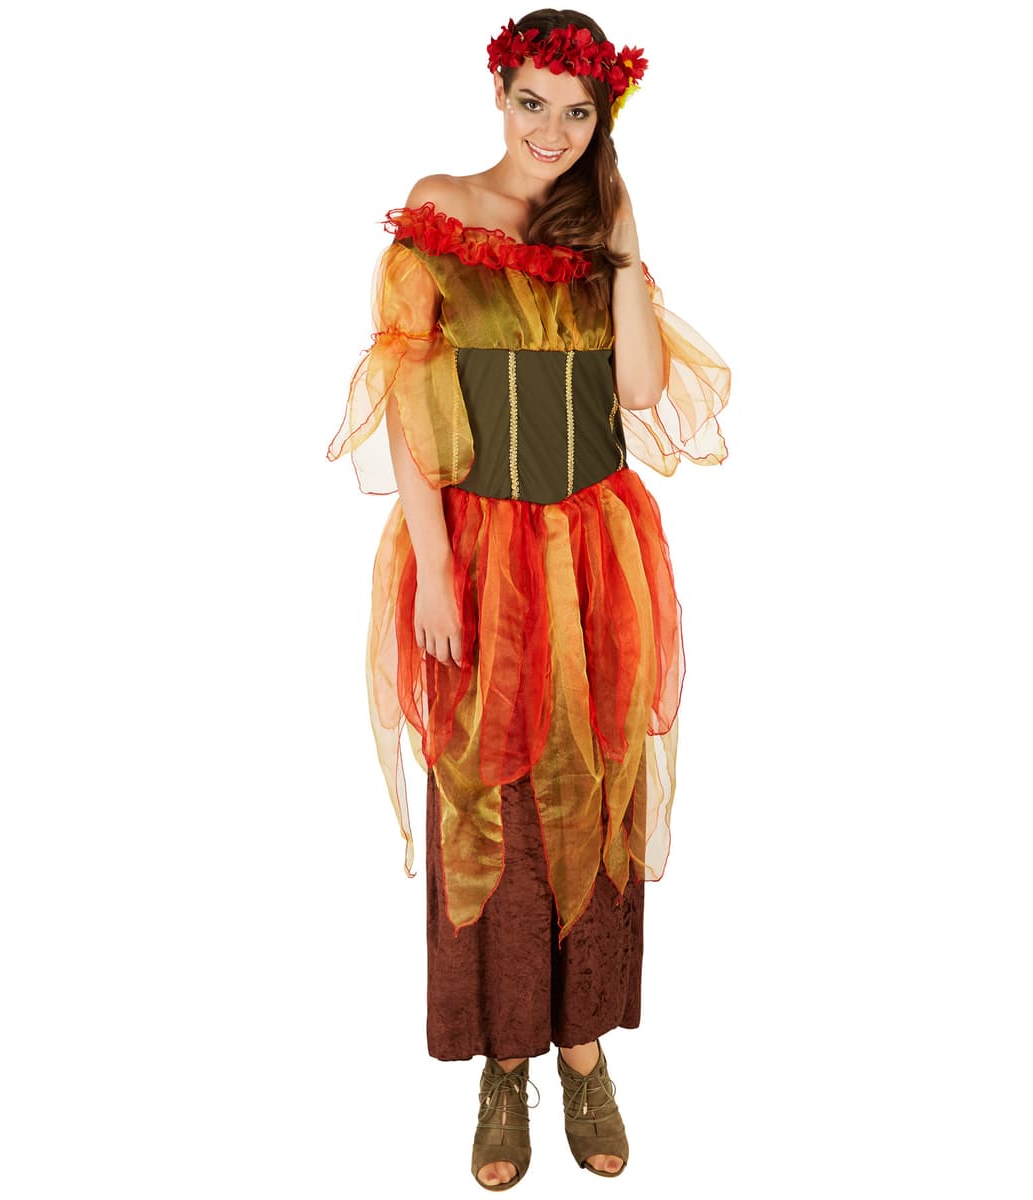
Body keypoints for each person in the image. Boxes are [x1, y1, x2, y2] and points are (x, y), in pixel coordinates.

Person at [327, 10, 731, 1189]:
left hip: (596, 547)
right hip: (480, 548)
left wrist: (626, 243)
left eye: (578, 111)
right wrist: (437, 566)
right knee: (491, 798)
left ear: (604, 120)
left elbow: (642, 389)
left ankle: (585, 1051)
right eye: (533, 102)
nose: (552, 129)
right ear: (499, 93)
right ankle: (505, 1066)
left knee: (596, 789)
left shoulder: (597, 227)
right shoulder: (441, 207)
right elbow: (409, 394)